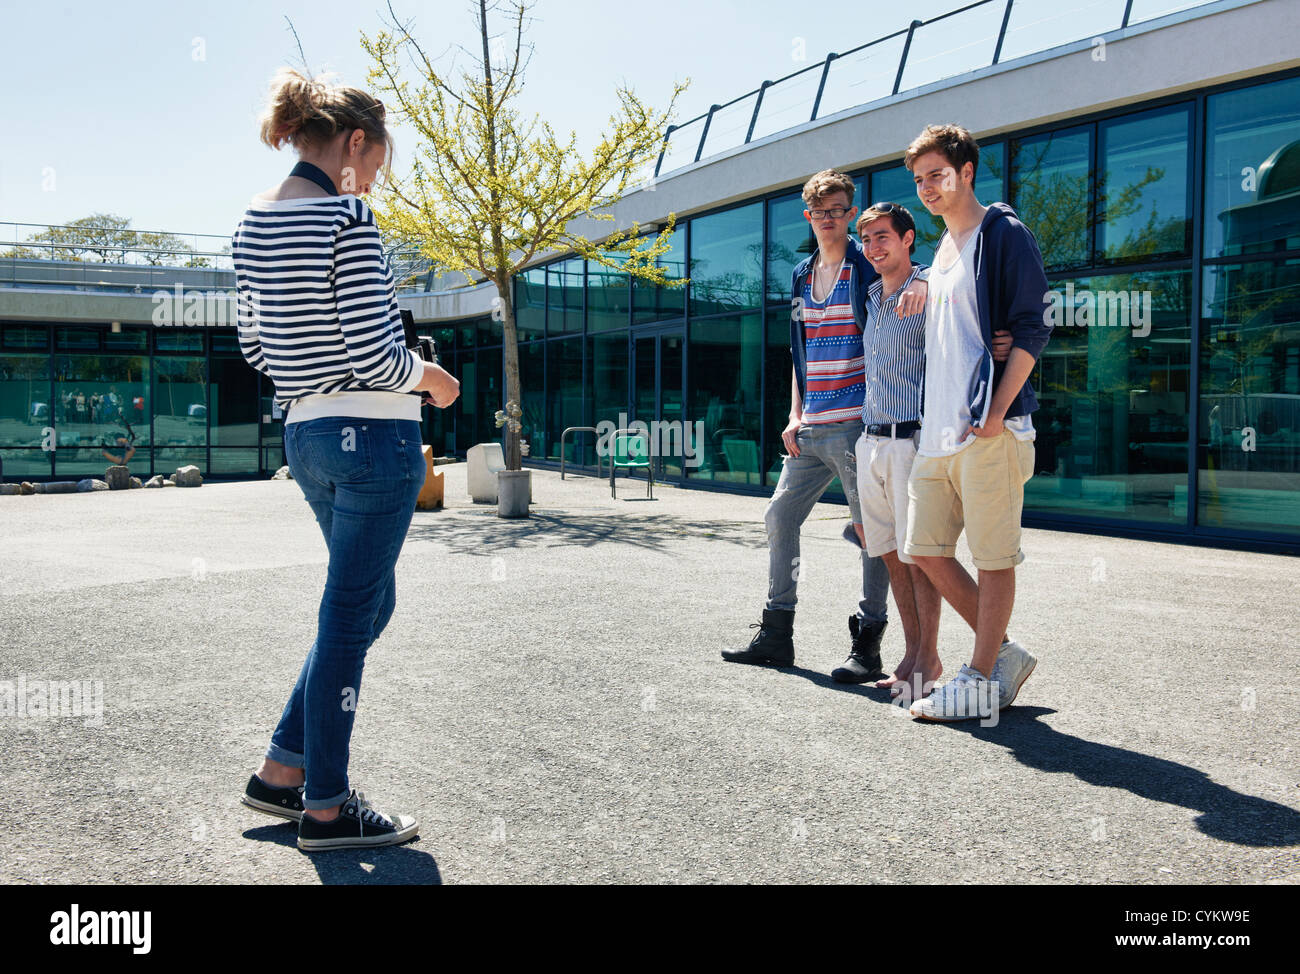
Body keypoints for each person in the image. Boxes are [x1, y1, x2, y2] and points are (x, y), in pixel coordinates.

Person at [233, 67, 460, 850]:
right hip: (374, 438)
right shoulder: (347, 216)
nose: (376, 178)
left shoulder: (252, 222)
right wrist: (430, 378)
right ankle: (326, 808)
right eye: (377, 160)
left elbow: (254, 347)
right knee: (347, 614)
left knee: (367, 605)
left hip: (307, 436)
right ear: (356, 141)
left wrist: (312, 373)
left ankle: (281, 771)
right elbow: (373, 353)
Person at [722, 170, 925, 673]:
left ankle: (868, 645)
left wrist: (924, 281)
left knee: (870, 535)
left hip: (857, 424)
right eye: (819, 212)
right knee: (780, 516)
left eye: (837, 211)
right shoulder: (800, 275)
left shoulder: (866, 264)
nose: (828, 219)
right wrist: (795, 414)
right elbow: (801, 352)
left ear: (850, 213)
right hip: (811, 425)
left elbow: (908, 277)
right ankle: (777, 633)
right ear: (808, 216)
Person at [900, 124, 1051, 722]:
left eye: (937, 175)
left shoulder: (1003, 233)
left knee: (993, 557)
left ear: (966, 172)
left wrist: (995, 413)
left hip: (990, 430)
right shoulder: (942, 250)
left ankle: (982, 677)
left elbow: (1034, 326)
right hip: (937, 432)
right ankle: (1004, 654)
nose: (927, 188)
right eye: (919, 179)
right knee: (924, 550)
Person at [845, 202, 1012, 695]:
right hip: (871, 438)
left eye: (883, 237)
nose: (873, 247)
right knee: (890, 554)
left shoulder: (930, 287)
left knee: (921, 553)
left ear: (908, 238)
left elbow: (967, 325)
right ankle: (914, 653)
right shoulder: (870, 296)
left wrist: (923, 281)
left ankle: (933, 659)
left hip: (911, 437)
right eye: (867, 239)